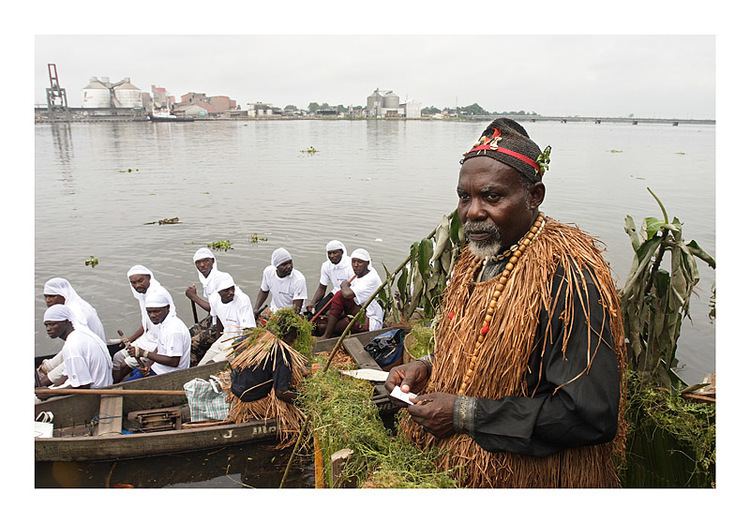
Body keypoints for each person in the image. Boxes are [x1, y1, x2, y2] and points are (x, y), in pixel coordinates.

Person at [384, 118, 627, 488]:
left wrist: (464, 414)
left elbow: (588, 415)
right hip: (461, 467)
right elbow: (488, 346)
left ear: (534, 196)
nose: (472, 212)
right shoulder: (477, 257)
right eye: (465, 197)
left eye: (492, 196)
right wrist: (427, 365)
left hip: (530, 480)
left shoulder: (568, 277)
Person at [37, 277, 107, 386]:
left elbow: (77, 353)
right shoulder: (70, 308)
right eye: (46, 297)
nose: (48, 300)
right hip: (85, 350)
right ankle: (45, 370)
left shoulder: (75, 312)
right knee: (46, 368)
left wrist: (49, 386)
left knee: (43, 383)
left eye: (52, 296)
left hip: (87, 354)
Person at [112, 265, 177, 382]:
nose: (137, 285)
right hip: (148, 338)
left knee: (125, 364)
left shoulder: (158, 295)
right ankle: (112, 383)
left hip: (158, 344)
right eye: (133, 283)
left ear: (149, 278)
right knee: (117, 357)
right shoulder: (143, 295)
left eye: (140, 281)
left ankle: (116, 386)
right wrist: (130, 339)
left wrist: (149, 358)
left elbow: (164, 332)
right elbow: (146, 325)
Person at [39, 304, 113, 390]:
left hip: (96, 393)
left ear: (66, 322)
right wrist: (54, 387)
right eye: (46, 325)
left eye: (52, 324)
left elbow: (83, 386)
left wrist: (50, 393)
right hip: (103, 385)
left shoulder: (72, 346)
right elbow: (68, 373)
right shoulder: (80, 334)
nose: (48, 329)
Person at [125, 287, 191, 377]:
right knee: (134, 373)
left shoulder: (174, 330)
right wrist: (148, 364)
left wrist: (144, 353)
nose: (152, 315)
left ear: (167, 308)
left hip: (168, 374)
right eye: (149, 312)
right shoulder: (163, 323)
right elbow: (160, 347)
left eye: (156, 311)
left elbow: (174, 361)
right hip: (158, 368)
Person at [321, 248, 383, 339]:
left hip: (370, 318)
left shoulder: (371, 278)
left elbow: (346, 294)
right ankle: (330, 330)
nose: (356, 265)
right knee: (336, 304)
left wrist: (344, 284)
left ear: (368, 263)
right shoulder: (359, 274)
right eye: (353, 262)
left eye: (360, 262)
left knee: (339, 296)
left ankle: (326, 335)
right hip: (360, 310)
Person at [198, 273, 256, 365]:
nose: (231, 292)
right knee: (200, 366)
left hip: (238, 339)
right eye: (226, 290)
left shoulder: (242, 300)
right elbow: (219, 319)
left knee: (210, 364)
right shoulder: (214, 299)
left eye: (232, 288)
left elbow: (249, 330)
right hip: (225, 336)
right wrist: (217, 341)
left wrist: (236, 348)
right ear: (219, 292)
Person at [184, 247, 229, 362]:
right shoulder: (206, 279)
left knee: (193, 344)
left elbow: (214, 308)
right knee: (186, 334)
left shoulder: (220, 279)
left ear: (213, 261)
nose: (202, 265)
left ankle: (192, 368)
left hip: (224, 322)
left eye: (206, 261)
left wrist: (193, 297)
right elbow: (212, 311)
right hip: (213, 318)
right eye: (198, 262)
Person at [254, 248, 307, 317]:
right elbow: (264, 291)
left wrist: (281, 320)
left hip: (293, 315)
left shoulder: (299, 279)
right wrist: (256, 309)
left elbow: (296, 310)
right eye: (284, 264)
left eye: (290, 262)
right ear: (276, 266)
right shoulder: (268, 272)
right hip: (274, 310)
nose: (289, 266)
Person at [307, 240, 355, 315]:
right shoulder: (326, 266)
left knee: (336, 314)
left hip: (349, 295)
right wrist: (312, 302)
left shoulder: (352, 264)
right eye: (329, 253)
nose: (332, 256)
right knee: (316, 312)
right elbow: (322, 288)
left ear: (342, 252)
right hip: (335, 293)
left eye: (335, 253)